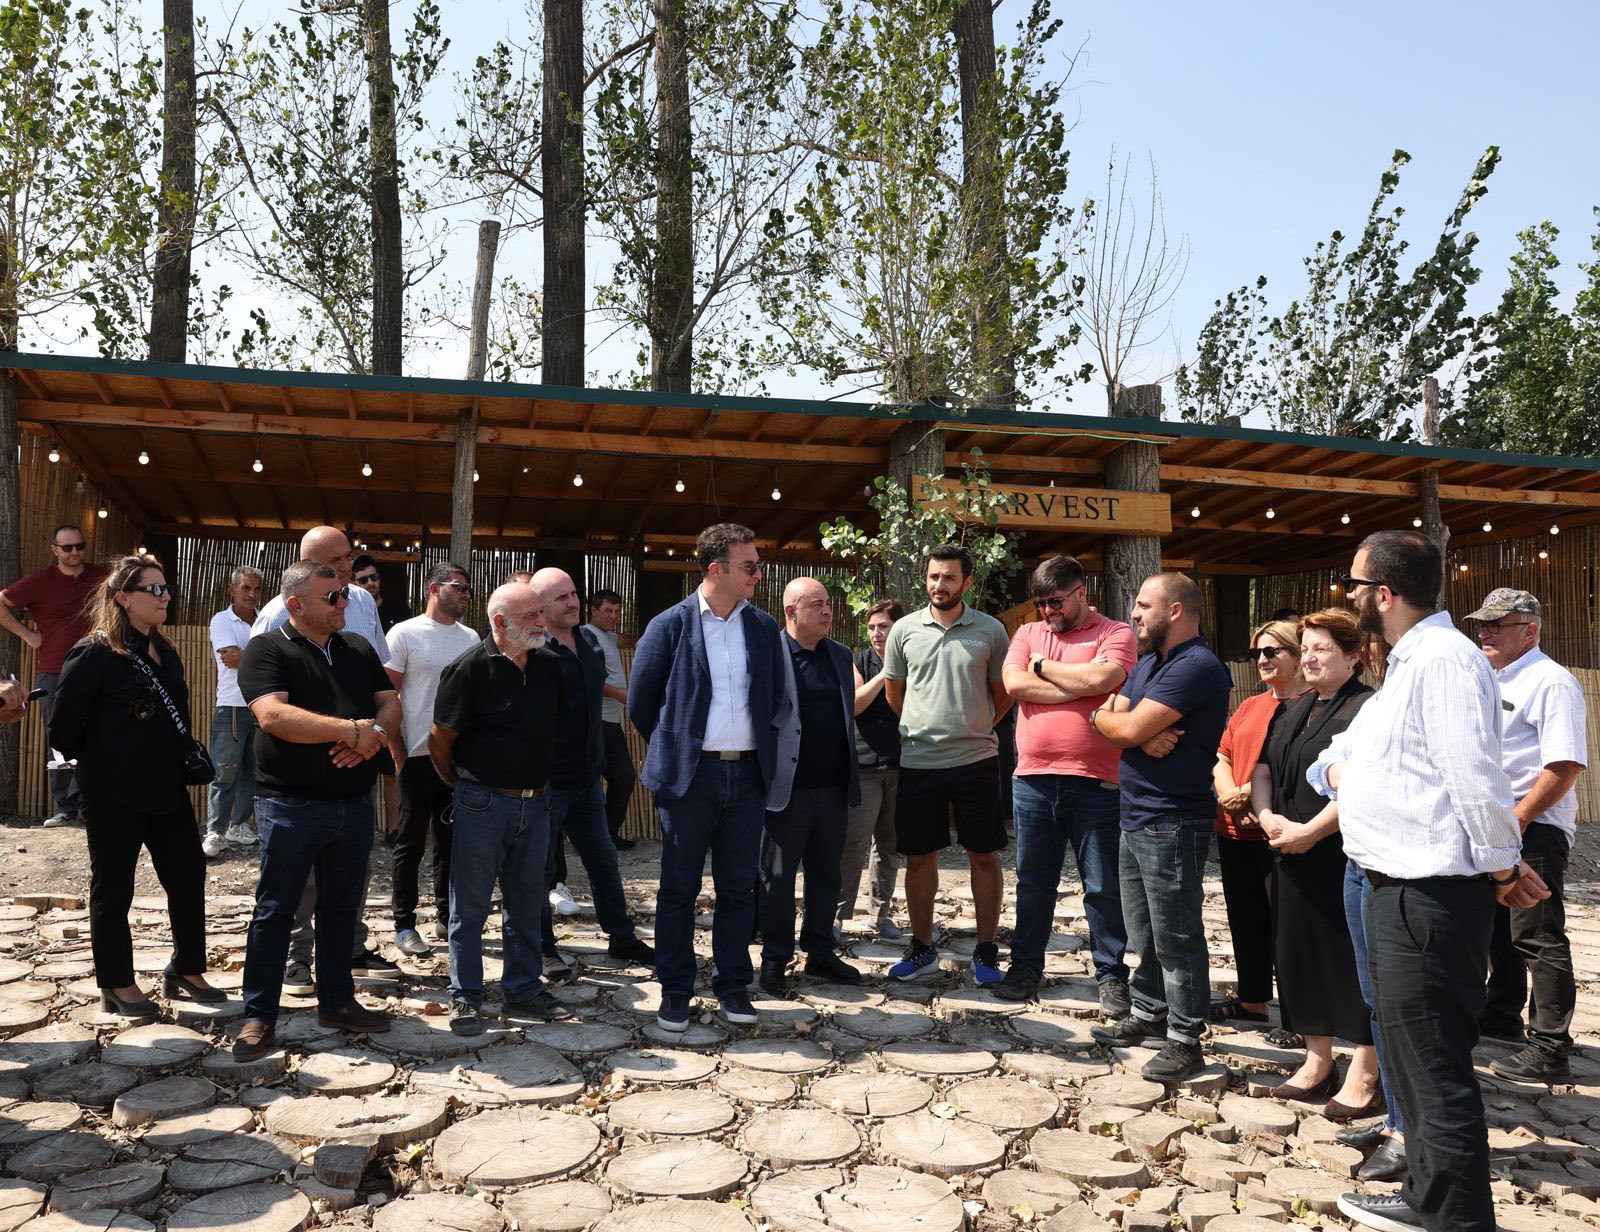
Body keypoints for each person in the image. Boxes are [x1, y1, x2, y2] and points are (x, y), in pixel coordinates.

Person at [1327, 530, 1549, 1232]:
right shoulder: (1413, 661)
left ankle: (1457, 1215)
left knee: (1433, 1064)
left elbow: (1476, 779)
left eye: (1353, 585)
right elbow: (1371, 760)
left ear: (1383, 594)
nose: (1348, 596)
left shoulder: (1445, 660)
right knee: (1410, 1059)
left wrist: (1503, 865)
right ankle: (1427, 1194)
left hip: (1428, 894)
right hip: (1397, 886)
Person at [232, 561, 399, 1061]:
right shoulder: (267, 649)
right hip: (290, 804)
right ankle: (259, 1015)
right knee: (275, 910)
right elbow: (272, 715)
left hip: (353, 804)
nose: (345, 602)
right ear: (295, 604)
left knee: (342, 909)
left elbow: (391, 701)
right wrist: (350, 731)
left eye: (344, 593)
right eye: (333, 597)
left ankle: (338, 1002)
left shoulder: (358, 648)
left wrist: (375, 737)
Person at [629, 523, 785, 1032]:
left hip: (748, 776)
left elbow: (773, 698)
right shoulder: (669, 626)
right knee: (678, 888)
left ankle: (732, 984)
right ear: (716, 569)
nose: (758, 574)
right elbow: (642, 704)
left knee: (739, 889)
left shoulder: (762, 627)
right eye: (749, 566)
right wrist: (680, 749)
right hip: (691, 779)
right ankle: (675, 989)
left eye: (758, 565)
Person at [48, 555, 220, 1017]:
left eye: (166, 588)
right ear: (123, 597)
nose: (165, 597)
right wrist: (110, 754)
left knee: (188, 875)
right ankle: (117, 983)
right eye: (154, 590)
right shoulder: (94, 652)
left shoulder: (167, 650)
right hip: (113, 792)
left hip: (167, 787)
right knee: (114, 887)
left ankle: (187, 968)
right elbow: (62, 729)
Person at [1089, 572, 1232, 1085]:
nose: (1133, 614)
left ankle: (1186, 1038)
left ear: (1175, 610)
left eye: (1143, 605)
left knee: (1177, 933)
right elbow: (1106, 717)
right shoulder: (1150, 662)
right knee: (1143, 929)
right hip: (1136, 814)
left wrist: (1128, 730)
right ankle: (1149, 1011)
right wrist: (1133, 734)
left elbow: (1123, 723)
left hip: (1174, 819)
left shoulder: (1198, 666)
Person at [1250, 608, 1380, 1117]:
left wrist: (1310, 832)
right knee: (1297, 952)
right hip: (1285, 846)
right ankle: (1317, 1058)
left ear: (1353, 655)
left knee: (1350, 959)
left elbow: (1363, 784)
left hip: (1339, 852)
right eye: (1304, 648)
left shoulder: (1367, 708)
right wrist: (1267, 817)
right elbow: (1263, 769)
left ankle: (1366, 1069)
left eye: (1321, 648)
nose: (1308, 657)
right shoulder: (1293, 708)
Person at [429, 581, 573, 1035]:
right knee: (470, 906)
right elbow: (440, 739)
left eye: (540, 613)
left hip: (536, 802)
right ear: (499, 622)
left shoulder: (549, 666)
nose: (541, 622)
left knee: (527, 902)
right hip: (482, 803)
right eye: (531, 615)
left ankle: (523, 988)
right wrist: (463, 786)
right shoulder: (469, 669)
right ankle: (465, 996)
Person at [997, 555, 1136, 1009]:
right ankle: (1025, 966)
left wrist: (1042, 668)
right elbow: (1014, 685)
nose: (1046, 612)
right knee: (1033, 882)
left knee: (1102, 884)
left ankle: (1111, 975)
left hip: (1097, 781)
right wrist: (1081, 685)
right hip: (1033, 779)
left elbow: (1106, 676)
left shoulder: (1115, 632)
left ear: (1081, 593)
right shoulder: (1027, 634)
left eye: (1055, 602)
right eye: (1040, 603)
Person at [1468, 588, 1586, 1083]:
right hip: (1500, 823)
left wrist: (1517, 819)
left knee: (1537, 933)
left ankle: (1550, 1048)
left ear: (1530, 631)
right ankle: (1501, 1015)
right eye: (1482, 624)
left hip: (1534, 825)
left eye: (1497, 625)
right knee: (1499, 929)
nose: (1485, 632)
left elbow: (1565, 765)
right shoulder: (1488, 678)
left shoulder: (1551, 682)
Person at [881, 544, 1013, 984]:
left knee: (984, 856)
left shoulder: (991, 630)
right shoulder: (903, 630)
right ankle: (922, 949)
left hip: (977, 761)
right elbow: (895, 695)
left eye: (949, 577)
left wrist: (973, 727)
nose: (939, 585)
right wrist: (926, 727)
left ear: (966, 583)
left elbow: (1003, 696)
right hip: (920, 763)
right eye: (934, 576)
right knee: (919, 858)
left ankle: (986, 952)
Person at [529, 568, 655, 980]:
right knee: (539, 870)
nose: (572, 602)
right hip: (546, 781)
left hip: (586, 779)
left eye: (573, 594)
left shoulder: (588, 642)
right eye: (561, 597)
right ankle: (542, 949)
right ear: (540, 606)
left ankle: (622, 937)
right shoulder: (533, 648)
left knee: (603, 860)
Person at [760, 577, 861, 995]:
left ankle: (820, 952)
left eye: (828, 604)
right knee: (778, 880)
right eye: (816, 604)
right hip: (787, 790)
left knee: (826, 876)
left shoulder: (839, 654)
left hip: (833, 788)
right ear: (791, 612)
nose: (827, 611)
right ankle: (775, 958)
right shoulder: (770, 653)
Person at [1208, 618, 1305, 1026]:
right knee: (1245, 918)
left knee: (1290, 926)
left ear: (1298, 656)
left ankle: (1301, 1016)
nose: (1261, 659)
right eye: (1256, 652)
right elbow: (1222, 755)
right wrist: (1229, 794)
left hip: (1280, 831)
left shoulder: (1312, 706)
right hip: (1234, 829)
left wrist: (1245, 794)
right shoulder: (1251, 705)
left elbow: (1295, 766)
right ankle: (1253, 1000)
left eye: (1271, 651)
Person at [384, 562, 479, 956]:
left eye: (469, 589)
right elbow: (388, 697)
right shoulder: (404, 633)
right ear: (434, 588)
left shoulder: (471, 637)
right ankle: (404, 923)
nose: (466, 595)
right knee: (409, 842)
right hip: (417, 754)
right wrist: (398, 750)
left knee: (451, 841)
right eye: (459, 587)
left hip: (457, 758)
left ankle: (446, 916)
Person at [0, 525, 110, 826]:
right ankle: (65, 808)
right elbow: (2, 603)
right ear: (55, 550)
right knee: (59, 737)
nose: (75, 552)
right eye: (67, 547)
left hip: (100, 667)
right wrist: (27, 634)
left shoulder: (103, 577)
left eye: (80, 546)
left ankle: (97, 806)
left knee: (102, 734)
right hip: (53, 669)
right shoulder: (40, 580)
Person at [837, 598, 904, 941]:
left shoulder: (913, 660)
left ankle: (880, 913)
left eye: (884, 626)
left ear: (898, 628)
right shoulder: (857, 660)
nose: (876, 633)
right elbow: (854, 704)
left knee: (890, 845)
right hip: (864, 765)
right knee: (854, 841)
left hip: (902, 763)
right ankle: (837, 916)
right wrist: (884, 674)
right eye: (872, 627)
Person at [204, 566, 265, 857]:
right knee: (225, 771)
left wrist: (247, 655)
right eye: (246, 588)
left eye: (257, 588)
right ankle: (215, 831)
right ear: (232, 590)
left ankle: (238, 825)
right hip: (231, 705)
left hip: (262, 706)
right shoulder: (221, 620)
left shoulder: (266, 619)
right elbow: (230, 658)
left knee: (253, 772)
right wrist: (265, 655)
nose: (252, 594)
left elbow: (243, 657)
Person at [582, 589, 638, 850]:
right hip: (594, 722)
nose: (613, 616)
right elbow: (590, 679)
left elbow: (627, 640)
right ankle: (591, 838)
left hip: (612, 723)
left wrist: (648, 639)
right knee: (587, 784)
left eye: (617, 612)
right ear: (593, 610)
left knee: (624, 777)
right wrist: (621, 694)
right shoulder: (585, 635)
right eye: (607, 611)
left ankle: (606, 834)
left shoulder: (608, 636)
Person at [352, 554, 407, 633]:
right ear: (353, 583)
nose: (370, 583)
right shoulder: (349, 614)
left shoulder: (400, 610)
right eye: (363, 580)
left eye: (374, 577)